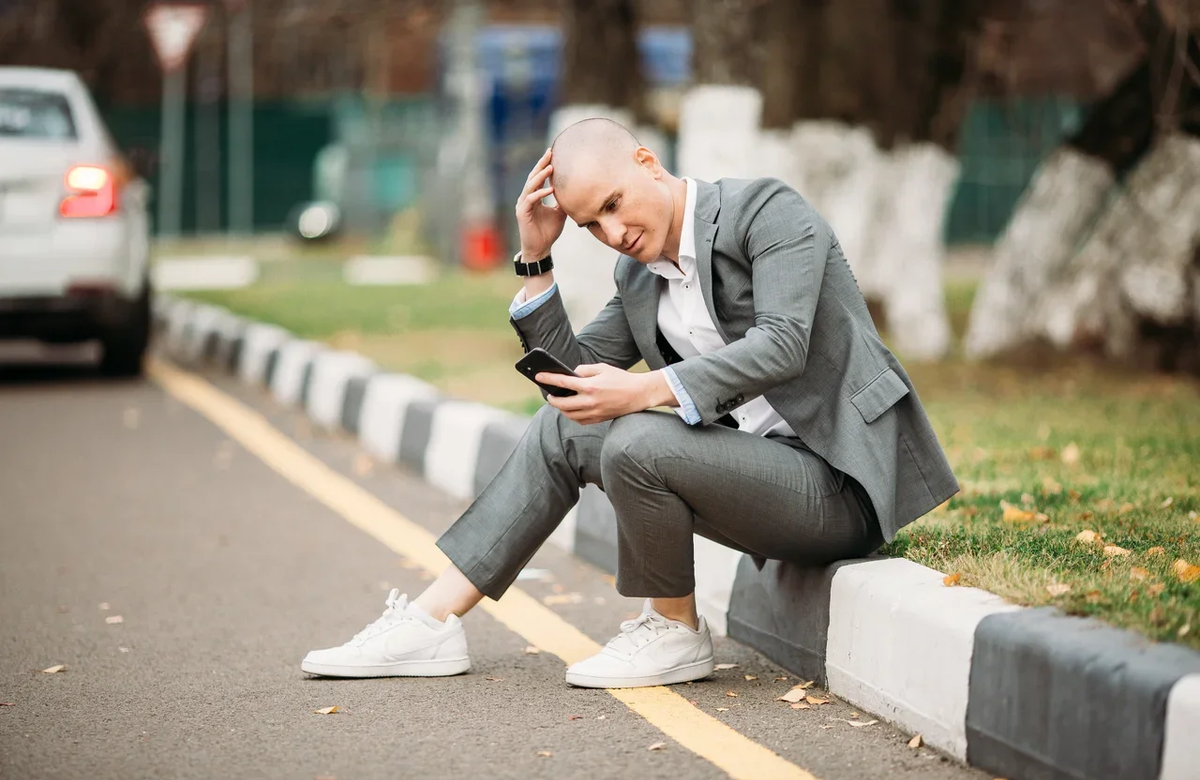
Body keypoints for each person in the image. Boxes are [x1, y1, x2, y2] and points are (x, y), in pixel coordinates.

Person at [301, 118, 958, 689]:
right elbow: (571, 383)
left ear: (648, 162)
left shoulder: (767, 214)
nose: (613, 232)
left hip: (840, 483)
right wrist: (537, 259)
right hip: (759, 478)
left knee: (640, 439)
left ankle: (672, 630)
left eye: (614, 204)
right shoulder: (640, 275)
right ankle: (430, 623)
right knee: (567, 427)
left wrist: (646, 390)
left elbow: (783, 345)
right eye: (591, 224)